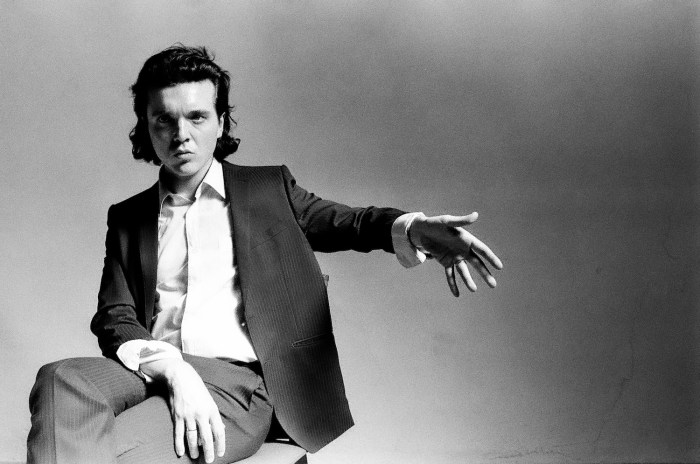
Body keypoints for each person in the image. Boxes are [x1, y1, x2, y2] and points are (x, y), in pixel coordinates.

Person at [27, 45, 503, 464]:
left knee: (111, 451)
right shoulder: (128, 217)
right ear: (146, 128)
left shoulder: (267, 190)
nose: (180, 134)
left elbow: (350, 222)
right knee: (59, 379)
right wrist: (173, 370)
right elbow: (115, 316)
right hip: (155, 370)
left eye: (196, 117)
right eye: (163, 120)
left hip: (236, 386)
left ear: (220, 122)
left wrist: (415, 227)